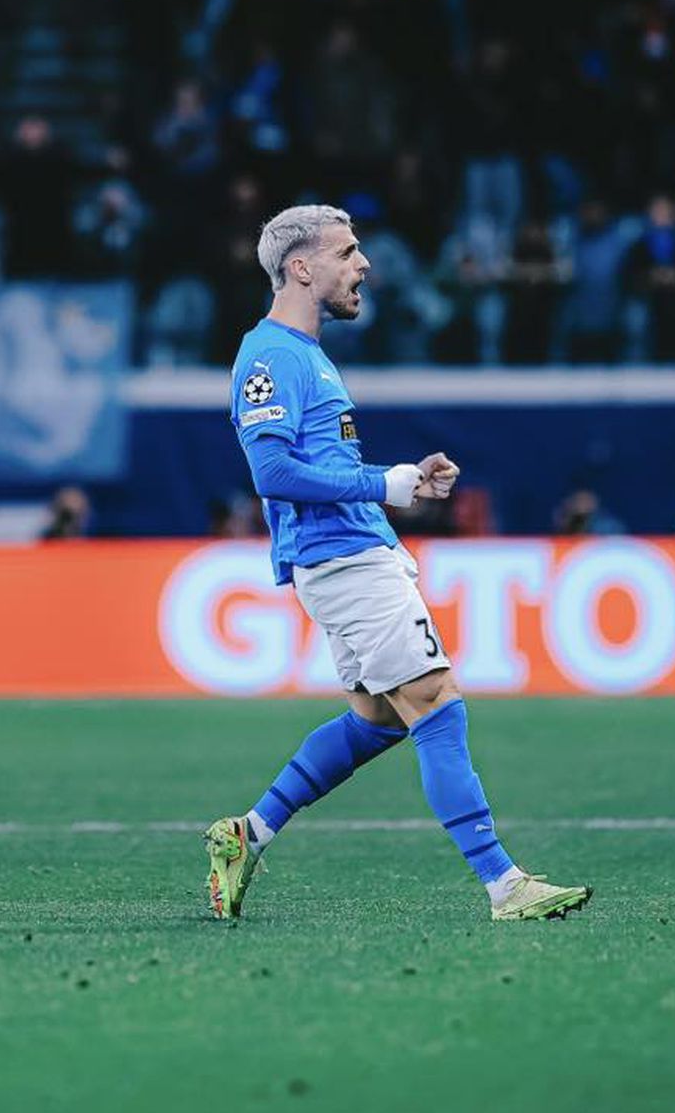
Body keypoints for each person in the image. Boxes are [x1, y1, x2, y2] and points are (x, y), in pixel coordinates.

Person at [204, 204, 591, 923]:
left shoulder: (304, 354)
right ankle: (504, 885)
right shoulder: (271, 357)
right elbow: (272, 473)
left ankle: (247, 835)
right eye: (347, 252)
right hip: (344, 561)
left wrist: (402, 480)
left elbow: (320, 466)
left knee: (378, 719)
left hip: (349, 552)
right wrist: (384, 485)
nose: (364, 265)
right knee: (437, 705)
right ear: (301, 268)